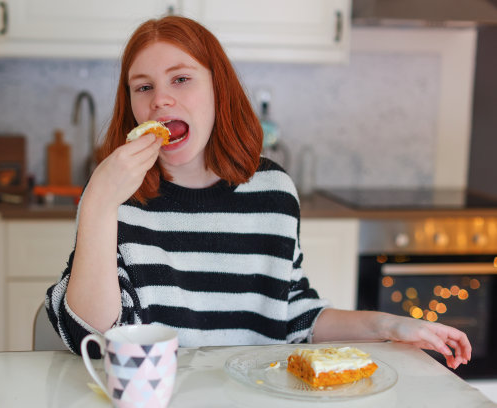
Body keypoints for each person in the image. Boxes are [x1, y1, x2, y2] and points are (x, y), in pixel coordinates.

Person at [45, 15, 471, 369]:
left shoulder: (273, 193)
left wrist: (389, 326)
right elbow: (90, 335)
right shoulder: (118, 198)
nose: (161, 100)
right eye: (144, 87)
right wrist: (99, 200)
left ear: (218, 90)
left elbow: (293, 314)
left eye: (181, 79)